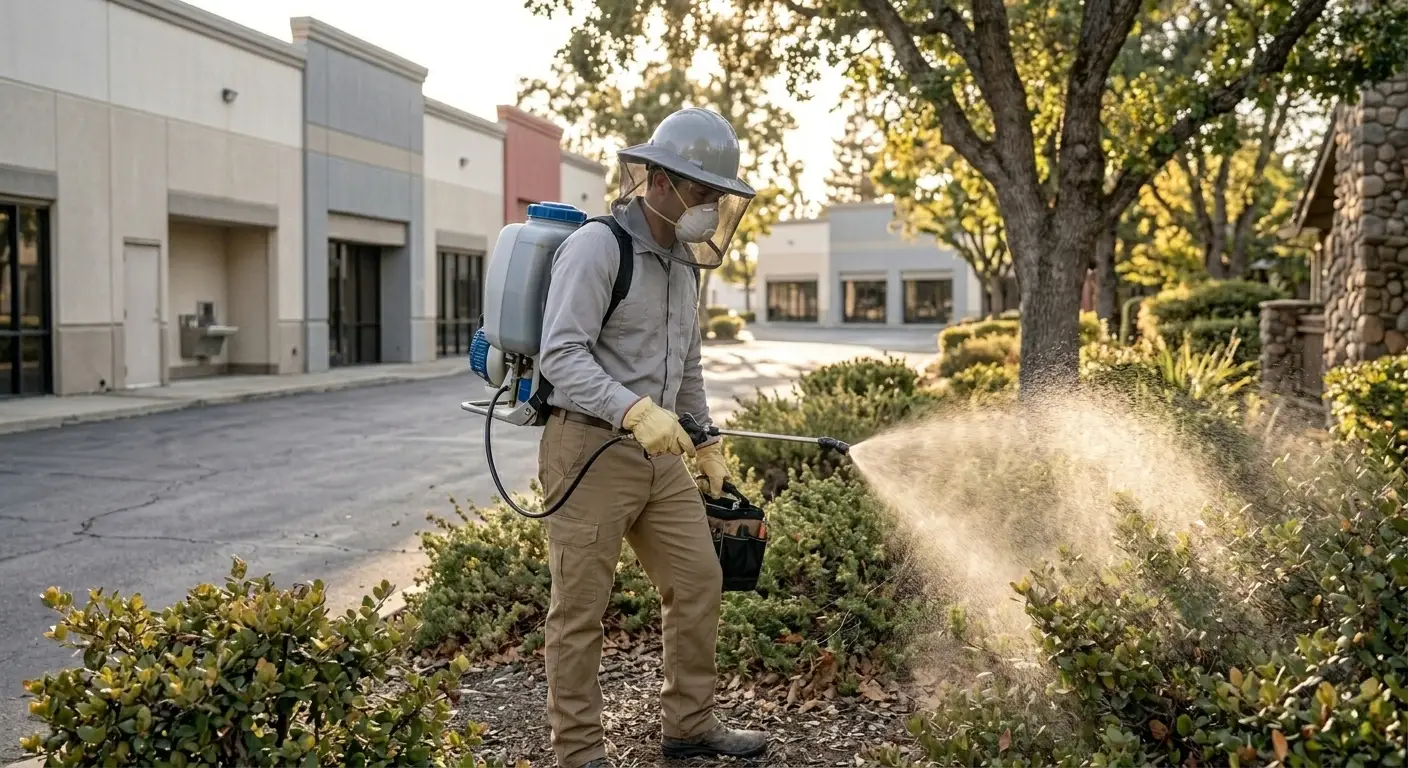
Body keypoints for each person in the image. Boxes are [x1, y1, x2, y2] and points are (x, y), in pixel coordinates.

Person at [535, 107, 766, 768]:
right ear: (658, 180)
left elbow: (686, 368)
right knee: (578, 613)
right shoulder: (598, 247)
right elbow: (561, 356)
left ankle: (688, 727)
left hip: (659, 459)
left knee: (699, 582)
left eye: (719, 196)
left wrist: (706, 441)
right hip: (587, 451)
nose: (710, 207)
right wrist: (634, 409)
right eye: (701, 191)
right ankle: (579, 755)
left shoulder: (684, 267)